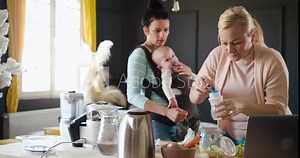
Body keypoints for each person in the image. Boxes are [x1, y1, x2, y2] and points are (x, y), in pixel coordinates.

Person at [189, 6, 291, 145]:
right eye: (224, 43)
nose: (229, 50)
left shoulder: (271, 60)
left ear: (252, 35)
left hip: (268, 139)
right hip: (229, 140)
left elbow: (279, 110)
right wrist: (200, 91)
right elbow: (193, 97)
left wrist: (243, 106)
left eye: (236, 43)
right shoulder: (217, 55)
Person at [127, 0, 198, 141]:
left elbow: (179, 79)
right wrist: (167, 112)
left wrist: (189, 72)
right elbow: (132, 95)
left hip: (183, 123)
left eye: (166, 30)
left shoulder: (165, 52)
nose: (162, 36)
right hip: (159, 122)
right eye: (157, 30)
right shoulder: (139, 55)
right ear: (146, 30)